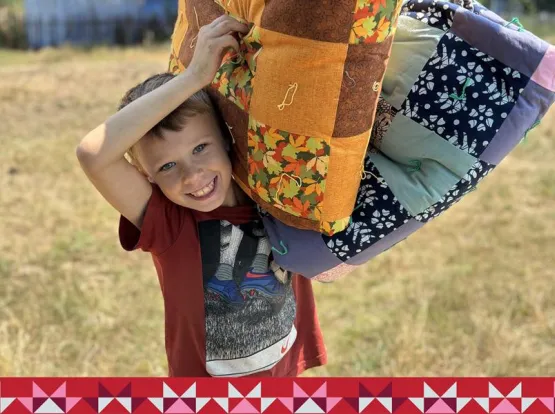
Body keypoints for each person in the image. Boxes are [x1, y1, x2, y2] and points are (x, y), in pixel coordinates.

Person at [76, 15, 326, 377]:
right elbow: (93, 155)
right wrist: (193, 78)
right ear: (146, 175)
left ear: (225, 137)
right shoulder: (167, 222)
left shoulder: (268, 186)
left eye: (199, 148)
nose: (192, 176)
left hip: (282, 375)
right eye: (166, 167)